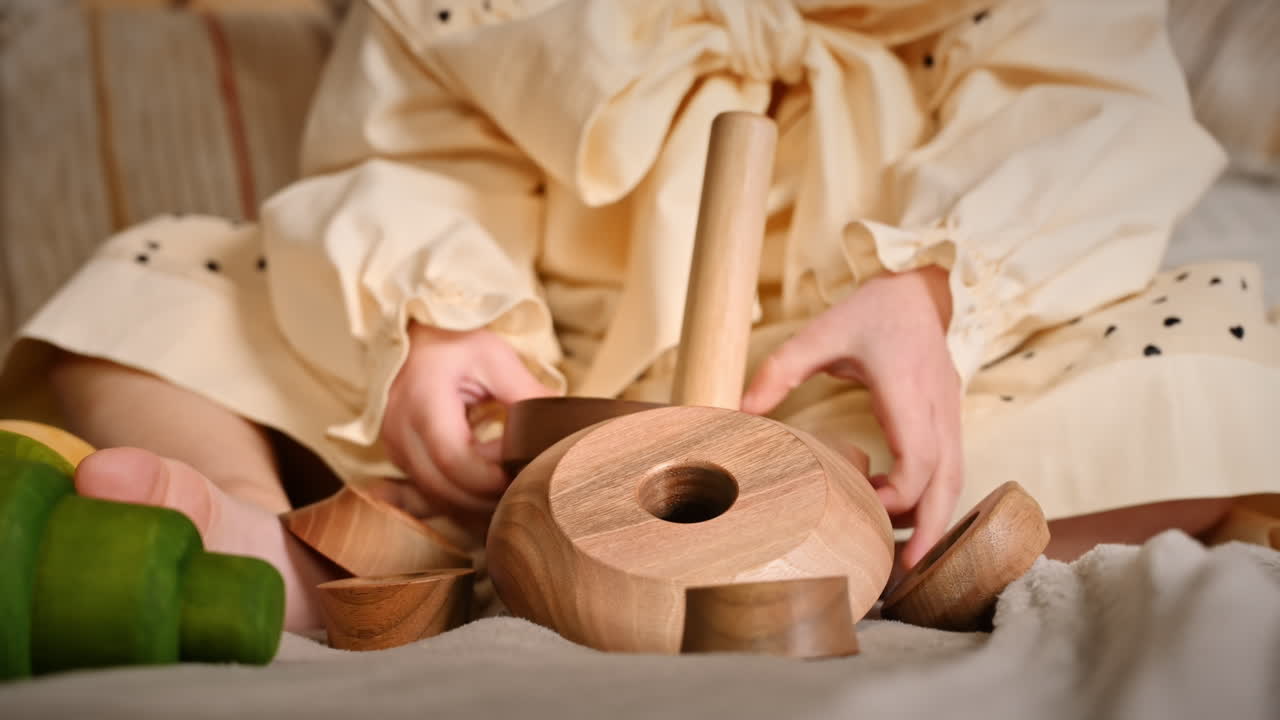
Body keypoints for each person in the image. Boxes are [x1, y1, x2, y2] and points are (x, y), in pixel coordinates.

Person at [3, 0, 1276, 632]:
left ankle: (899, 567)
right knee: (170, 277)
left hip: (862, 405)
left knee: (1213, 374)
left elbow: (1089, 112)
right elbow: (411, 152)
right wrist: (433, 327)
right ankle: (296, 544)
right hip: (527, 412)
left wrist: (933, 296)